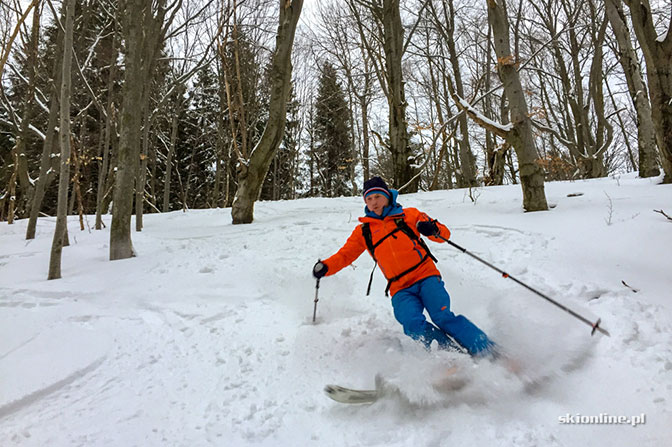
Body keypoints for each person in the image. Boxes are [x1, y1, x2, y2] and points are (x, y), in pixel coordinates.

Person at [312, 176, 495, 357]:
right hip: (399, 288)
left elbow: (443, 234)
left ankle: (487, 350)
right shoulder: (364, 231)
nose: (373, 202)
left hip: (426, 276)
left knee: (442, 317)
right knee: (411, 324)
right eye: (369, 199)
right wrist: (326, 267)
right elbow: (345, 255)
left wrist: (432, 228)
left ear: (387, 196)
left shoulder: (409, 215)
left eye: (377, 197)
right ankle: (451, 358)